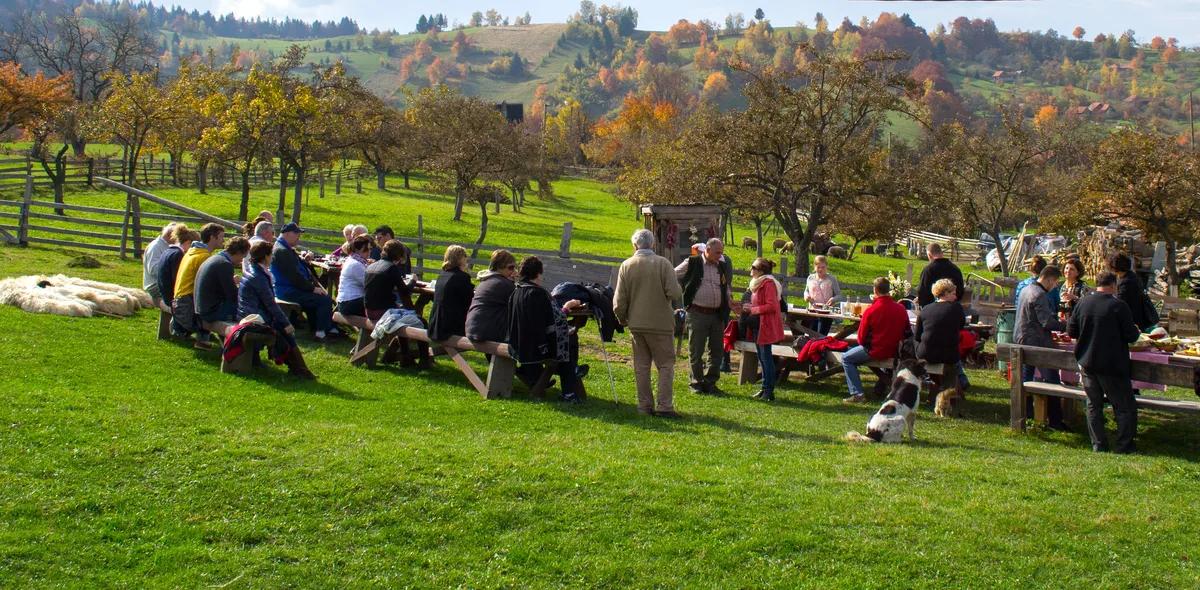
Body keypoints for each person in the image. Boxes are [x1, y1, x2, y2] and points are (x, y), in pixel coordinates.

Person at [1068, 271, 1142, 453]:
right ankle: (1124, 445)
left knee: (1094, 405)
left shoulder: (1083, 303)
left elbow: (1071, 331)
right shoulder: (1118, 306)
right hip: (1112, 364)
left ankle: (1099, 444)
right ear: (1113, 285)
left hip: (1087, 361)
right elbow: (1131, 336)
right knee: (1123, 406)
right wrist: (1136, 330)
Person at [614, 229, 684, 417]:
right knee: (665, 366)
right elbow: (673, 293)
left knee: (641, 368)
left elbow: (619, 300)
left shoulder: (626, 265)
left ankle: (644, 406)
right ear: (653, 245)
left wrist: (623, 319)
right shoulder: (663, 264)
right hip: (661, 324)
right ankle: (664, 406)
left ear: (634, 246)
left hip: (637, 324)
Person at [508, 256, 584, 403]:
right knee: (569, 340)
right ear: (538, 274)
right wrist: (567, 307)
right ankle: (569, 391)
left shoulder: (516, 291)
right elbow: (558, 318)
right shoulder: (538, 293)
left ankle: (571, 373)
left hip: (518, 345)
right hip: (537, 348)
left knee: (567, 338)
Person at [238, 241, 317, 379]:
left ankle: (298, 368)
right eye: (271, 255)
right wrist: (286, 323)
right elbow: (270, 304)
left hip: (248, 312)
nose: (272, 258)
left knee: (283, 328)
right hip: (253, 317)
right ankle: (300, 369)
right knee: (285, 332)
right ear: (265, 257)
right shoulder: (259, 277)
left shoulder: (253, 269)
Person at [675, 238, 737, 394]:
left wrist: (729, 300)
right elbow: (672, 275)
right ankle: (696, 383)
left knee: (717, 350)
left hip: (716, 314)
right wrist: (680, 291)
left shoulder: (721, 266)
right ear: (707, 250)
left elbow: (725, 286)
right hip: (697, 313)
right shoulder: (692, 262)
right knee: (696, 350)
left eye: (721, 253)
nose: (720, 256)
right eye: (717, 253)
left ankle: (710, 383)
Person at [1014, 265, 1069, 431]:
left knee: (1026, 379)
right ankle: (1055, 421)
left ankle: (1027, 415)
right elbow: (1046, 322)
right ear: (1050, 279)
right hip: (1036, 342)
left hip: (1022, 339)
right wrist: (1065, 326)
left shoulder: (1026, 289)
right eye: (1055, 283)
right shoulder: (1039, 294)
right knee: (1052, 380)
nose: (1055, 287)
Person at [364, 239, 432, 368]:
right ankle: (424, 360)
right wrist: (413, 280)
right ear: (399, 256)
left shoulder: (372, 266)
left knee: (404, 318)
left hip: (369, 310)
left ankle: (405, 356)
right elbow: (405, 291)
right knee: (421, 322)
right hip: (382, 313)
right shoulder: (391, 268)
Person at [842, 277, 910, 403]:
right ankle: (880, 388)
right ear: (889, 290)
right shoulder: (901, 309)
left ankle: (858, 393)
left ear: (875, 290)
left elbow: (861, 339)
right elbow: (908, 332)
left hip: (875, 350)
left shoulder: (870, 310)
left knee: (846, 358)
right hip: (894, 350)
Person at [272, 222, 340, 343]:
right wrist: (312, 289)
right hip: (288, 291)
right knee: (324, 299)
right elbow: (294, 278)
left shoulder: (284, 248)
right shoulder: (282, 251)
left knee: (319, 298)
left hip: (289, 289)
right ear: (287, 234)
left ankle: (323, 328)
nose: (299, 236)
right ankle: (320, 333)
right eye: (296, 233)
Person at [173, 223, 226, 349]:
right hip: (187, 306)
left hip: (180, 302)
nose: (223, 240)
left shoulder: (193, 251)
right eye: (222, 237)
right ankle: (204, 340)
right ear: (213, 237)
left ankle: (202, 336)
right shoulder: (204, 257)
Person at [748, 258, 785, 402]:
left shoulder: (768, 283)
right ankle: (765, 387)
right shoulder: (758, 283)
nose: (751, 269)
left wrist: (753, 309)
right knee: (761, 357)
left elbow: (771, 306)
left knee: (766, 357)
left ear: (761, 271)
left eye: (754, 267)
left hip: (766, 324)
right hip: (759, 323)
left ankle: (769, 390)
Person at [915, 279, 967, 382]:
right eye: (953, 294)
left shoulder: (925, 309)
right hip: (948, 355)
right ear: (946, 293)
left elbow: (917, 336)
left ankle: (931, 382)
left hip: (926, 354)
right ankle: (961, 382)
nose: (956, 297)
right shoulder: (956, 307)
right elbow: (961, 326)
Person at [466, 249, 518, 343]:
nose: (514, 271)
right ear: (500, 268)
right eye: (511, 268)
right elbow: (520, 302)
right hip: (485, 332)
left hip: (473, 329)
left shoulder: (487, 280)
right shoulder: (503, 283)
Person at [196, 236, 250, 324]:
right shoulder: (224, 264)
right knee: (252, 311)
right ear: (238, 252)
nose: (241, 261)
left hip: (202, 309)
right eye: (243, 256)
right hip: (212, 312)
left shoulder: (214, 259)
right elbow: (232, 295)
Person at [427, 245, 475, 341]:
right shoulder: (462, 277)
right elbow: (468, 303)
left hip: (435, 324)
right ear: (460, 259)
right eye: (465, 256)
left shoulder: (442, 275)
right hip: (450, 327)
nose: (466, 260)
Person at [1109, 252, 1155, 332]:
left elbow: (1120, 302)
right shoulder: (1132, 276)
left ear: (1115, 268)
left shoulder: (1126, 282)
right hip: (1137, 317)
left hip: (1133, 321)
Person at [156, 226, 195, 314]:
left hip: (165, 294)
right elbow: (177, 280)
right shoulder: (178, 255)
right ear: (188, 243)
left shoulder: (168, 251)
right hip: (172, 299)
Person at [803, 255, 843, 335]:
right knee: (810, 337)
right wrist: (806, 297)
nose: (820, 269)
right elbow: (806, 291)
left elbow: (839, 295)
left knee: (821, 337)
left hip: (826, 313)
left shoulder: (831, 279)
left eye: (823, 267)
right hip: (812, 312)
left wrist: (833, 299)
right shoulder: (810, 278)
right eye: (818, 267)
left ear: (826, 267)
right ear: (814, 267)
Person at [335, 235, 373, 318]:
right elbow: (369, 285)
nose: (369, 252)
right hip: (349, 303)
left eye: (370, 249)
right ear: (357, 250)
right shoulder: (356, 265)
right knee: (379, 303)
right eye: (365, 250)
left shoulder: (353, 259)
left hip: (346, 302)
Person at [916, 243, 965, 307]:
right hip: (952, 307)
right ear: (941, 253)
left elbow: (922, 292)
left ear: (929, 255)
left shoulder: (928, 270)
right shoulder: (955, 269)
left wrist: (923, 306)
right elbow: (960, 290)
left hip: (932, 309)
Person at [143, 223, 177, 307]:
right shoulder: (156, 247)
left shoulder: (165, 246)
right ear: (171, 235)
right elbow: (153, 270)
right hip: (155, 285)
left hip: (161, 282)